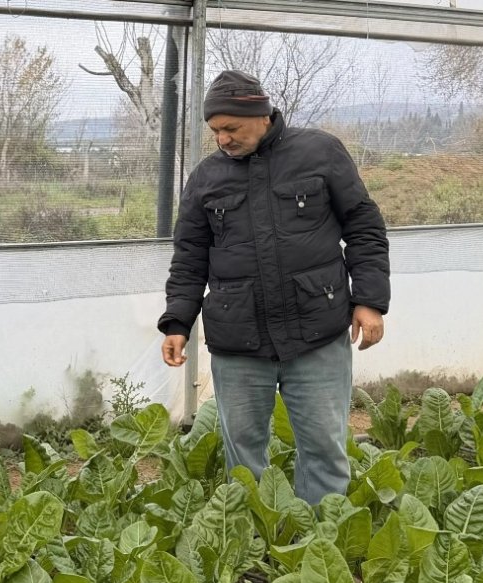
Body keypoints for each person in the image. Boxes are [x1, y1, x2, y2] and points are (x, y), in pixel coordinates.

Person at [158, 70, 390, 505]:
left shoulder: (320, 153)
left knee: (324, 447)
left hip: (316, 334)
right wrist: (177, 322)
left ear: (261, 114)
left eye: (231, 127)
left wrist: (370, 301)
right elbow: (190, 256)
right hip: (238, 340)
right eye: (215, 131)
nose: (222, 138)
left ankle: (317, 545)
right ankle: (252, 550)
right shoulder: (207, 178)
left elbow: (364, 228)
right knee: (243, 455)